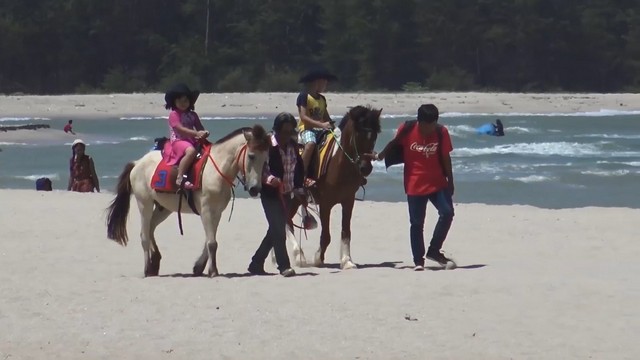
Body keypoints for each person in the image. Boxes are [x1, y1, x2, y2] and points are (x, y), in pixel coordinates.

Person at [366, 104, 455, 271]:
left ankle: (434, 251)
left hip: (438, 183)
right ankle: (418, 261)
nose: (430, 129)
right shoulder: (407, 129)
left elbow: (445, 156)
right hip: (415, 183)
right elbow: (393, 144)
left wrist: (450, 180)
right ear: (419, 121)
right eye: (426, 126)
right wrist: (378, 156)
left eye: (433, 124)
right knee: (416, 223)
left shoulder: (441, 132)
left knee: (448, 213)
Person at [248, 112, 306, 278]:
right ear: (277, 130)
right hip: (270, 194)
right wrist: (269, 179)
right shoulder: (267, 145)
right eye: (284, 132)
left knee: (274, 229)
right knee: (279, 230)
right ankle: (284, 266)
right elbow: (259, 168)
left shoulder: (293, 146)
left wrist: (299, 187)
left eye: (290, 132)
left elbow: (298, 167)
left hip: (287, 193)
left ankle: (256, 263)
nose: (287, 136)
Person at [296, 66, 337, 187]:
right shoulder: (304, 96)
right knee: (310, 144)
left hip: (321, 129)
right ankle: (301, 176)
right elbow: (303, 117)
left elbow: (326, 117)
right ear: (317, 82)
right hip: (307, 129)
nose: (326, 85)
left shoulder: (322, 99)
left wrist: (332, 125)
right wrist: (322, 125)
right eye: (325, 82)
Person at [163, 83, 209, 189]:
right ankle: (180, 177)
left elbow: (199, 127)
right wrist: (197, 134)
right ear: (174, 101)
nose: (183, 103)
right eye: (179, 101)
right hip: (178, 141)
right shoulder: (174, 114)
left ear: (190, 102)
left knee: (209, 151)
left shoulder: (193, 115)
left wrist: (204, 133)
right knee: (191, 151)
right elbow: (181, 130)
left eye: (185, 101)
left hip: (192, 140)